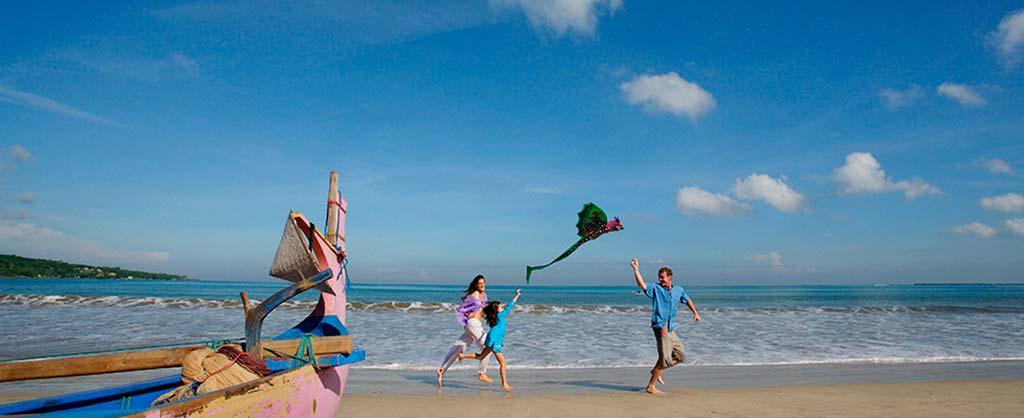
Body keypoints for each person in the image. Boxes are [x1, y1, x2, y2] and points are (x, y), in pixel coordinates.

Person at [631, 258, 700, 395]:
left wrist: (695, 313)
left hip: (671, 328)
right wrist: (636, 269)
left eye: (663, 277)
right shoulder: (656, 288)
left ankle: (657, 370)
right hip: (660, 327)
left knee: (681, 356)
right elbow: (642, 285)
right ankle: (651, 386)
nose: (661, 280)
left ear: (670, 277)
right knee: (665, 360)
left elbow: (687, 300)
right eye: (659, 277)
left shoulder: (678, 290)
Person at [460, 289, 522, 392]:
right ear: (497, 310)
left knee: (481, 356)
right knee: (503, 364)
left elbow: (486, 310)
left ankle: (462, 355)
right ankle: (504, 384)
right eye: (500, 306)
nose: (502, 306)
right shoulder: (501, 315)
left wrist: (469, 314)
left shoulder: (493, 316)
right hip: (495, 340)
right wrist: (517, 295)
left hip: (490, 337)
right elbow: (511, 305)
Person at [436, 275, 493, 386]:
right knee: (488, 347)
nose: (482, 285)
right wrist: (467, 315)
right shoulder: (473, 295)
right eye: (480, 283)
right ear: (476, 285)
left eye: (483, 283)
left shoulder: (484, 295)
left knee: (458, 348)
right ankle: (482, 373)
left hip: (476, 325)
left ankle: (441, 370)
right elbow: (461, 308)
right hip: (472, 324)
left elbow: (484, 309)